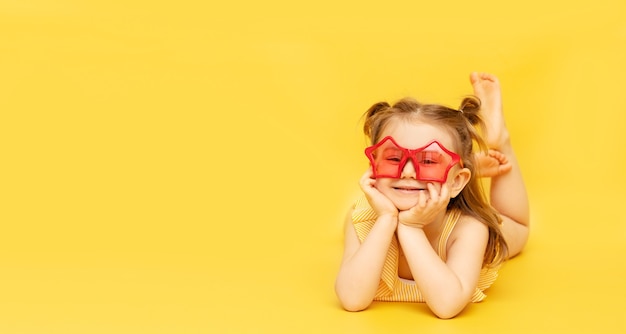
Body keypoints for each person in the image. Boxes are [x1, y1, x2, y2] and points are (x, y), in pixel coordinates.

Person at [334, 72, 530, 319]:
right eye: (394, 158)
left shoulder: (469, 228)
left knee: (517, 229)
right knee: (351, 216)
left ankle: (500, 142)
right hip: (403, 202)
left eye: (427, 161)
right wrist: (386, 219)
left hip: (461, 215)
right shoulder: (364, 219)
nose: (406, 171)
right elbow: (352, 299)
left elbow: (447, 306)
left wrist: (410, 227)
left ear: (458, 182)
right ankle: (461, 166)